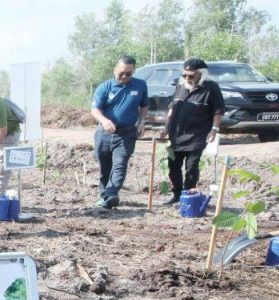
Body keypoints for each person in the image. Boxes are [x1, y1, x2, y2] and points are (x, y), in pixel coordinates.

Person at [159, 58, 225, 205]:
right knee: (173, 166)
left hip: (197, 135)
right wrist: (165, 128)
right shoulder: (180, 86)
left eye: (191, 75)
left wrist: (214, 129)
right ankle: (177, 194)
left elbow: (218, 111)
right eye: (185, 75)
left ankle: (188, 196)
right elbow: (172, 108)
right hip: (176, 135)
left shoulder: (211, 88)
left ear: (201, 74)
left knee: (191, 167)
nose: (187, 78)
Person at [90, 56, 148, 211]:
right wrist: (104, 120)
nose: (124, 76)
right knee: (104, 167)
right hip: (104, 133)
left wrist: (142, 122)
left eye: (129, 74)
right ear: (115, 70)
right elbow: (95, 110)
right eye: (122, 73)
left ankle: (112, 194)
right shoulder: (105, 87)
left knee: (120, 165)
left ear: (134, 71)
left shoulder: (140, 85)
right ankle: (105, 195)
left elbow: (144, 106)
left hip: (127, 133)